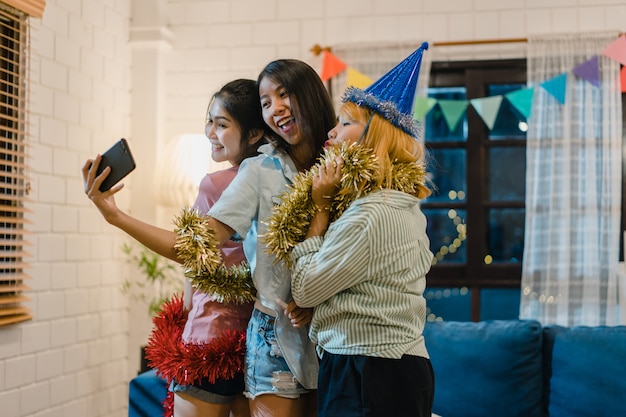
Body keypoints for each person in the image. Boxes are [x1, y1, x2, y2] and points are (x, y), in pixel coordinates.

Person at [85, 59, 336, 417]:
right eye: (266, 102)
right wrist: (116, 216)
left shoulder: (339, 168)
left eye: (284, 95)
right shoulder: (260, 171)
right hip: (268, 337)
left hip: (328, 338)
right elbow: (194, 248)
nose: (276, 108)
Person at [264, 43, 435, 417]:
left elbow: (306, 289)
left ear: (373, 136)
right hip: (391, 366)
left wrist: (321, 207)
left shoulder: (370, 215)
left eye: (344, 122)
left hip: (368, 368)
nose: (332, 131)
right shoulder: (401, 206)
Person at [83, 79, 268, 417]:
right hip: (257, 346)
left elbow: (189, 254)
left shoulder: (217, 184)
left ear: (254, 133)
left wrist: (116, 216)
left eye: (222, 124)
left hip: (208, 341)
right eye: (209, 121)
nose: (210, 132)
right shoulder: (277, 177)